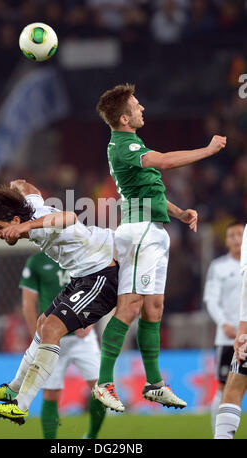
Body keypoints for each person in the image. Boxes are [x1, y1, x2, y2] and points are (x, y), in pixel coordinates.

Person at [93, 83, 227, 412]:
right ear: (124, 118)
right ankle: (104, 382)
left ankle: (153, 384)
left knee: (154, 309)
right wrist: (207, 151)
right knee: (129, 308)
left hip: (152, 231)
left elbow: (148, 192)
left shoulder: (129, 143)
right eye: (137, 105)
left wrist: (179, 213)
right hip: (139, 233)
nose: (142, 109)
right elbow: (164, 162)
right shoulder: (124, 144)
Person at [0, 179, 118, 425]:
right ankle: (12, 390)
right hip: (82, 275)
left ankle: (20, 407)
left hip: (101, 274)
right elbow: (27, 187)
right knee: (44, 325)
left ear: (15, 222)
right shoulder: (29, 210)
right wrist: (16, 187)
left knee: (52, 328)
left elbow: (70, 217)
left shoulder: (36, 225)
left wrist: (27, 228)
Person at [19, 252, 106, 439]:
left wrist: (90, 321)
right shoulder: (37, 261)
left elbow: (99, 289)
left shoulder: (83, 254)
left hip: (82, 338)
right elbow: (28, 304)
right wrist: (36, 337)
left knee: (101, 389)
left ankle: (91, 436)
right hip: (52, 339)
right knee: (50, 394)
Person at [203, 221, 245, 433]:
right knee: (224, 387)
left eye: (240, 233)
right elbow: (211, 300)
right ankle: (217, 434)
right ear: (227, 241)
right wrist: (224, 324)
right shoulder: (218, 267)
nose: (237, 238)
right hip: (227, 338)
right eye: (232, 235)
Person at [214, 223, 247, 439]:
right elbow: (211, 299)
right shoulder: (218, 267)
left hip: (242, 329)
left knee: (234, 385)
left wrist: (243, 330)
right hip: (223, 335)